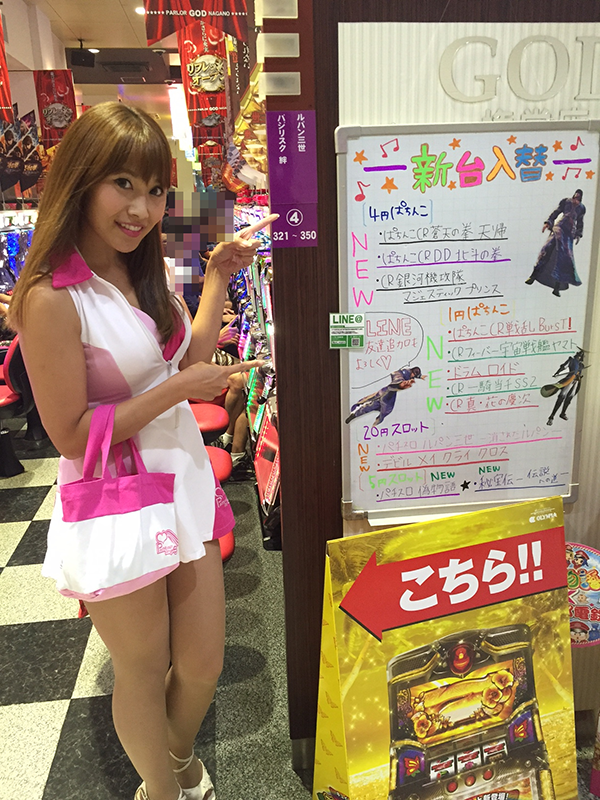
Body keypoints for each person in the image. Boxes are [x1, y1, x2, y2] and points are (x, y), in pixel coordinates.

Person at [8, 101, 276, 800]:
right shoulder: (50, 298)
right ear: (81, 180)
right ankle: (160, 788)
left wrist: (217, 278)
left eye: (155, 190)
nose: (142, 207)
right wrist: (179, 390)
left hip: (182, 480)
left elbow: (180, 360)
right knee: (143, 667)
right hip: (116, 500)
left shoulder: (143, 268)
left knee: (203, 662)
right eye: (122, 184)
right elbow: (71, 435)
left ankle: (177, 759)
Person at [525, 189, 586, 297]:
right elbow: (556, 212)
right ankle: (533, 276)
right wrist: (548, 223)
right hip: (559, 229)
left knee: (564, 259)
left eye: (578, 198)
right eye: (575, 197)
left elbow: (580, 222)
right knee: (546, 250)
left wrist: (578, 234)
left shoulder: (581, 208)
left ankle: (557, 288)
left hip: (568, 235)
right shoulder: (566, 201)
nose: (576, 200)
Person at [345, 366, 425, 426]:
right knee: (371, 405)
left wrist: (420, 376)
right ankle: (354, 415)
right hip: (386, 391)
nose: (412, 377)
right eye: (413, 375)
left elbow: (413, 376)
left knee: (386, 410)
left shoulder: (410, 374)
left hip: (390, 396)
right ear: (411, 372)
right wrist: (400, 383)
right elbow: (396, 374)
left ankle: (377, 421)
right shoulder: (404, 372)